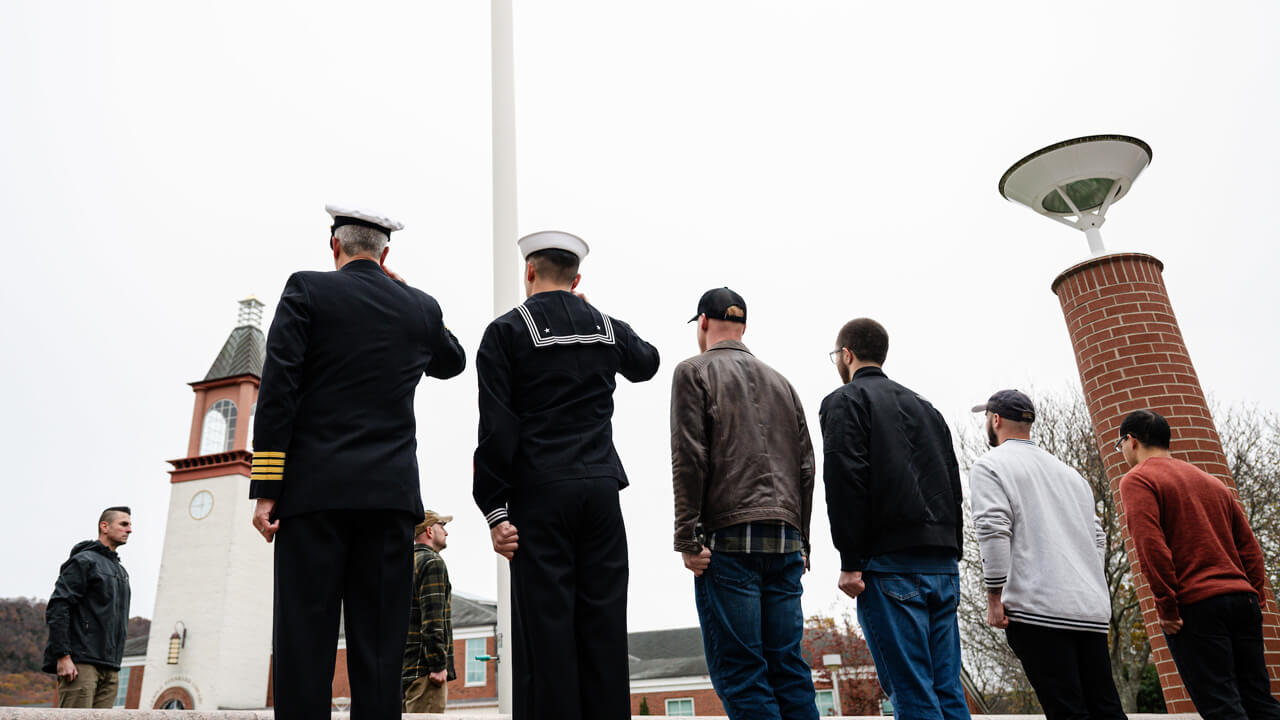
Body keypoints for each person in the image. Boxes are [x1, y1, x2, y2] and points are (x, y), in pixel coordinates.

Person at [250, 204, 466, 720]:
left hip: (313, 494)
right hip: (388, 500)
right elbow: (452, 360)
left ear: (334, 246)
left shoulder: (307, 290)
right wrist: (406, 291)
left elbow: (278, 391)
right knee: (379, 647)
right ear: (386, 252)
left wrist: (266, 487)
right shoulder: (420, 308)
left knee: (305, 641)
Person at [473, 230, 660, 720]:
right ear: (578, 278)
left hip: (541, 493)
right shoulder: (605, 327)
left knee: (546, 636)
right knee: (602, 627)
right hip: (600, 491)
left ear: (529, 270)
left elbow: (496, 429)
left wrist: (495, 510)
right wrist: (597, 315)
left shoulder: (506, 332)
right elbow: (648, 362)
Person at [670, 287, 818, 720]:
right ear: (744, 327)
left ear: (701, 323)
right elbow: (807, 467)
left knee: (742, 673)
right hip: (787, 540)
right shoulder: (782, 382)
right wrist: (803, 540)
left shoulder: (692, 371)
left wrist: (687, 537)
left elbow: (689, 458)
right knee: (789, 669)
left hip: (729, 541)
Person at [819, 318, 969, 720]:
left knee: (911, 690)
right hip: (942, 562)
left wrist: (850, 561)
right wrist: (954, 549)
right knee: (947, 688)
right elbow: (952, 482)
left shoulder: (845, 401)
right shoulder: (927, 408)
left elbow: (844, 479)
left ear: (846, 355)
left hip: (889, 566)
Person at [969, 390, 1125, 720]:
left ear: (995, 420)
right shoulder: (1071, 476)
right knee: (1106, 708)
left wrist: (994, 597)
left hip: (1039, 610)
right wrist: (1086, 580)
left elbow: (994, 530)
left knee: (1066, 710)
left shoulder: (991, 465)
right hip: (1089, 608)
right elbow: (1097, 537)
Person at [1117, 409, 1280, 720]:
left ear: (1131, 440)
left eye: (1120, 444)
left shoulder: (1138, 479)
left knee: (1221, 706)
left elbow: (1151, 547)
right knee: (1261, 702)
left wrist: (1167, 607)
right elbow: (1250, 548)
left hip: (1196, 606)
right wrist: (1255, 595)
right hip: (1242, 601)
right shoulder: (1213, 483)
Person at [42, 506, 133, 708]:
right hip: (81, 663)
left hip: (110, 667)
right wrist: (63, 656)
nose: (129, 530)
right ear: (105, 526)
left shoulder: (121, 572)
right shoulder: (84, 561)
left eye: (130, 525)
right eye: (124, 524)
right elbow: (58, 607)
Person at [402, 510, 455, 714]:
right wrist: (437, 665)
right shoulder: (431, 563)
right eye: (442, 526)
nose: (446, 533)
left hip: (403, 670)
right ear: (430, 531)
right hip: (425, 673)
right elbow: (432, 620)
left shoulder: (404, 564)